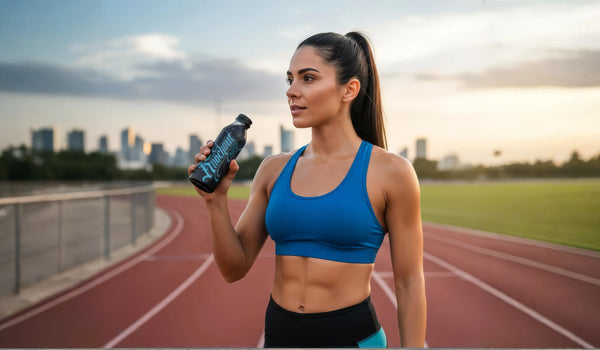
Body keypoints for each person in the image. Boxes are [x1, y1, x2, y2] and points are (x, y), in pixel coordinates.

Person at [188, 31, 426, 348]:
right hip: (279, 336)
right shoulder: (273, 170)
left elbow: (409, 281)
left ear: (349, 90)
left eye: (308, 78)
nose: (291, 91)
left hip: (352, 338)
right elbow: (234, 268)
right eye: (290, 79)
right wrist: (215, 203)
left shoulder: (392, 172)